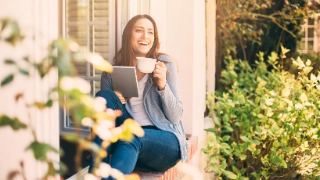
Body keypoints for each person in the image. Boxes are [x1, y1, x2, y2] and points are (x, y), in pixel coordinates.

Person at [90, 14, 188, 179]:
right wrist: (116, 99)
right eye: (139, 31)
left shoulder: (165, 64)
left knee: (133, 135)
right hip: (129, 135)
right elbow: (105, 117)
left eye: (150, 32)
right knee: (105, 96)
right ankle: (97, 170)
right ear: (129, 35)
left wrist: (162, 85)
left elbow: (175, 116)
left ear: (154, 39)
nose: (145, 36)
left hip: (165, 139)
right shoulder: (111, 73)